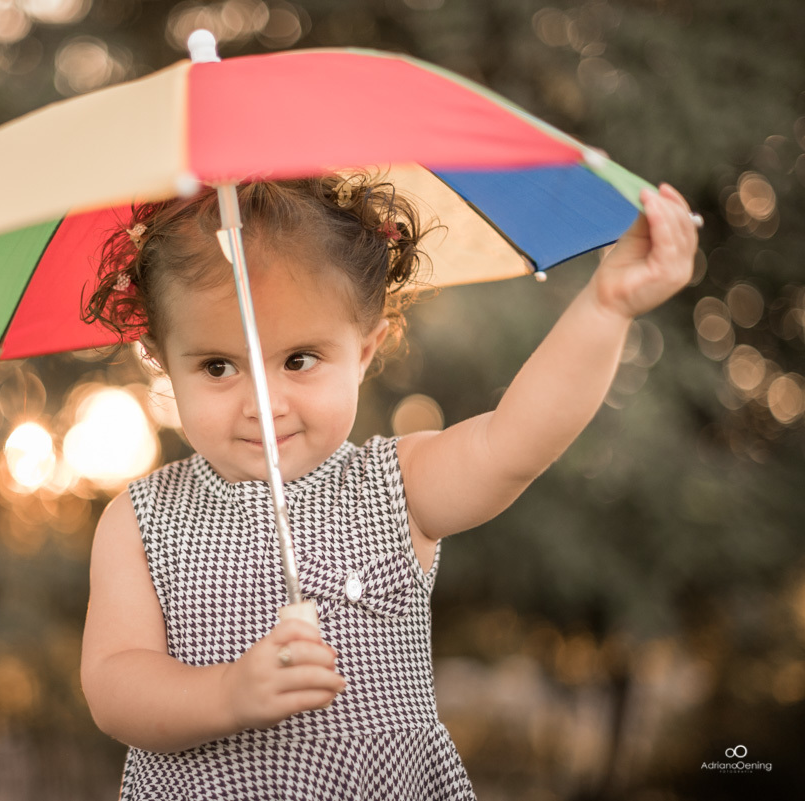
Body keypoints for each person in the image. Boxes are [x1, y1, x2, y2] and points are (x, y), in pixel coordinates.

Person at [78, 173, 698, 800]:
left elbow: (512, 443)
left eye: (298, 360)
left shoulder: (391, 487)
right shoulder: (140, 519)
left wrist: (606, 307)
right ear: (159, 356)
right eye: (218, 366)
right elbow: (114, 684)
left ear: (366, 349)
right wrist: (229, 692)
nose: (263, 405)